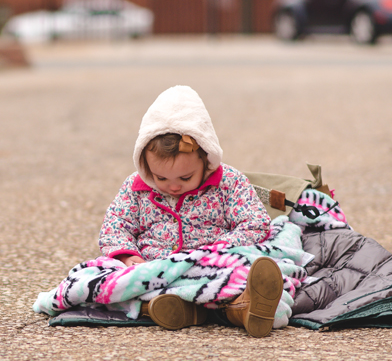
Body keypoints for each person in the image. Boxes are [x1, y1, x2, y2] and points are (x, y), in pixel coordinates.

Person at [98, 85, 283, 337]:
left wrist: (216, 250)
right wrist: (127, 256)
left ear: (206, 159)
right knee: (103, 276)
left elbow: (256, 223)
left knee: (245, 270)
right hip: (157, 267)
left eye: (185, 177)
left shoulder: (228, 182)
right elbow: (115, 225)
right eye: (161, 178)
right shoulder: (136, 188)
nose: (173, 186)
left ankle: (243, 307)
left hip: (211, 264)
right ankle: (168, 308)